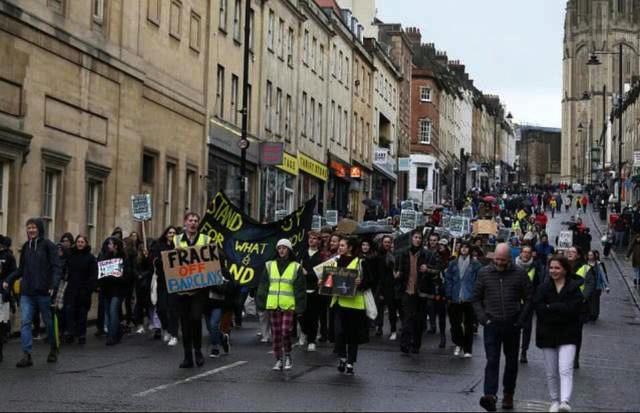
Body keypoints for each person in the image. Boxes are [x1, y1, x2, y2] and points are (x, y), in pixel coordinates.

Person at [472, 243, 532, 412]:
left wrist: (520, 320)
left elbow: (529, 297)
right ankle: (489, 395)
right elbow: (475, 298)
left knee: (511, 362)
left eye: (503, 260)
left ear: (509, 259)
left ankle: (508, 393)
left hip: (512, 324)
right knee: (492, 360)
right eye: (497, 259)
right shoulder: (484, 274)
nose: (499, 263)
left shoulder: (519, 274)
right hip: (492, 323)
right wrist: (483, 319)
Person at [4, 218, 62, 367]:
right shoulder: (26, 247)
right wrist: (9, 280)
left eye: (33, 227)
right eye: (28, 227)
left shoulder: (48, 246)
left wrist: (53, 285)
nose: (31, 230)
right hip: (27, 292)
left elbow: (56, 268)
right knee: (25, 322)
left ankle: (53, 349)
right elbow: (21, 269)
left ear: (40, 228)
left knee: (48, 323)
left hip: (44, 292)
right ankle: (26, 355)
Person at [534, 256, 583, 413]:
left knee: (565, 368)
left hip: (568, 334)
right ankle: (554, 400)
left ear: (565, 270)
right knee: (551, 371)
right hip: (547, 333)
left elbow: (574, 310)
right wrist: (560, 308)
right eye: (551, 268)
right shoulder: (543, 288)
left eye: (557, 268)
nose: (553, 271)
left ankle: (565, 401)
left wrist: (552, 307)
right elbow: (540, 309)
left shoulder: (574, 288)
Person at [256, 238, 306, 371]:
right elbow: (263, 285)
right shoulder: (269, 265)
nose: (281, 250)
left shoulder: (296, 267)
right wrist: (260, 302)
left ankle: (288, 354)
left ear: (289, 250)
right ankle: (278, 360)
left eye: (284, 248)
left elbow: (300, 288)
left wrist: (300, 307)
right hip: (273, 305)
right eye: (279, 248)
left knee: (285, 331)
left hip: (288, 305)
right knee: (276, 334)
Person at [172, 212, 213, 368]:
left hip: (199, 288)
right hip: (181, 289)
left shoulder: (205, 239)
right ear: (185, 222)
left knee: (196, 319)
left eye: (196, 221)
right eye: (191, 220)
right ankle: (187, 356)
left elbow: (213, 259)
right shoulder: (176, 240)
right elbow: (168, 261)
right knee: (185, 323)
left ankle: (198, 351)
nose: (193, 223)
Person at [330, 236, 372, 375]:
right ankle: (342, 357)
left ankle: (350, 362)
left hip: (355, 305)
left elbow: (370, 281)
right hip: (339, 303)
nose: (339, 248)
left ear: (350, 248)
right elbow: (329, 281)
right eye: (339, 245)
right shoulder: (335, 262)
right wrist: (323, 282)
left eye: (342, 245)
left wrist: (361, 282)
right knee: (339, 332)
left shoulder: (360, 262)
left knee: (352, 336)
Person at [444, 241, 481, 358]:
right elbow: (448, 279)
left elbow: (478, 281)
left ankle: (467, 349)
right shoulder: (453, 263)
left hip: (469, 298)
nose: (464, 249)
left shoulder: (475, 264)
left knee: (469, 325)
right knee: (455, 324)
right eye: (462, 247)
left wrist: (475, 294)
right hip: (455, 297)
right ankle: (459, 343)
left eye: (466, 247)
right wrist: (448, 293)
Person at [396, 230, 428, 354]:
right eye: (415, 237)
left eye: (419, 238)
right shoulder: (403, 254)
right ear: (412, 239)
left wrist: (427, 269)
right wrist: (397, 275)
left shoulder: (425, 254)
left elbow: (434, 269)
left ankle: (416, 344)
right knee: (407, 319)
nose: (417, 240)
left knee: (419, 320)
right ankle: (405, 344)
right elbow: (398, 270)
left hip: (420, 291)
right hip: (407, 291)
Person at [63, 235, 98, 345]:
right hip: (72, 288)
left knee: (82, 313)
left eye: (82, 242)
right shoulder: (71, 255)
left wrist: (89, 289)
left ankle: (81, 334)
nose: (80, 244)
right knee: (69, 311)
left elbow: (93, 275)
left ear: (86, 243)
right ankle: (70, 333)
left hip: (84, 290)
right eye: (78, 241)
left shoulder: (91, 258)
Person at [565, 246, 595, 369]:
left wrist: (583, 298)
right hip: (564, 306)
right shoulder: (562, 266)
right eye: (569, 251)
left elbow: (590, 284)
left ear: (578, 255)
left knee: (576, 334)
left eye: (573, 252)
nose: (570, 253)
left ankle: (575, 357)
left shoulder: (586, 268)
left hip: (578, 307)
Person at [97, 236, 129, 346]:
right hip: (106, 289)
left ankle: (111, 336)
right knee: (109, 313)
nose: (108, 246)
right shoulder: (105, 258)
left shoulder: (124, 259)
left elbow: (127, 276)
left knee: (113, 311)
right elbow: (100, 273)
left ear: (115, 246)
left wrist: (118, 277)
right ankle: (118, 331)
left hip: (118, 290)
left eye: (110, 244)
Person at [151, 226, 180, 346]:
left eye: (174, 233)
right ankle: (166, 328)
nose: (171, 234)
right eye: (170, 232)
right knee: (161, 308)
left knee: (173, 309)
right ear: (165, 233)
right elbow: (154, 261)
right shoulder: (159, 246)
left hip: (175, 281)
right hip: (162, 281)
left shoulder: (179, 245)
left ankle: (174, 334)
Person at [300, 232, 326, 352]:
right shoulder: (302, 254)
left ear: (319, 241)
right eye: (310, 238)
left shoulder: (321, 256)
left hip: (315, 289)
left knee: (313, 316)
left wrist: (308, 274)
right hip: (302, 289)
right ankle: (304, 331)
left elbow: (321, 273)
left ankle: (311, 340)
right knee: (302, 315)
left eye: (315, 238)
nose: (312, 240)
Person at [515, 245, 540, 364]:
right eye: (523, 252)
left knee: (526, 328)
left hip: (528, 303)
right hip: (513, 302)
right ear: (520, 253)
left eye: (528, 252)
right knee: (513, 328)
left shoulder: (536, 267)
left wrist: (534, 299)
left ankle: (524, 351)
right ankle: (513, 350)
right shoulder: (513, 266)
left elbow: (539, 284)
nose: (525, 254)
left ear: (531, 255)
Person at [375, 235, 400, 340]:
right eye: (385, 242)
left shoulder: (395, 255)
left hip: (392, 286)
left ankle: (393, 330)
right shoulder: (379, 255)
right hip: (381, 285)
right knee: (379, 308)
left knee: (392, 310)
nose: (387, 244)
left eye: (388, 242)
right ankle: (379, 327)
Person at [425, 234, 447, 349]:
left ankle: (442, 335)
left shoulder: (440, 254)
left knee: (440, 310)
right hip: (427, 285)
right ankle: (432, 325)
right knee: (428, 306)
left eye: (435, 240)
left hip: (438, 285)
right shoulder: (425, 252)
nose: (432, 242)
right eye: (431, 240)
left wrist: (428, 269)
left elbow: (439, 269)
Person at [0, 235, 17, 362]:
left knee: (1, 323)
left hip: (2, 294)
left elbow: (14, 273)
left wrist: (7, 282)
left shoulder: (8, 256)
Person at [587, 250, 609, 321]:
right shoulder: (585, 264)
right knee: (589, 300)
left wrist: (606, 286)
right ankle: (589, 313)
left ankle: (595, 314)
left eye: (591, 255)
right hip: (588, 285)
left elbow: (603, 275)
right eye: (589, 255)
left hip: (597, 286)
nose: (590, 256)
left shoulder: (599, 264)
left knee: (595, 300)